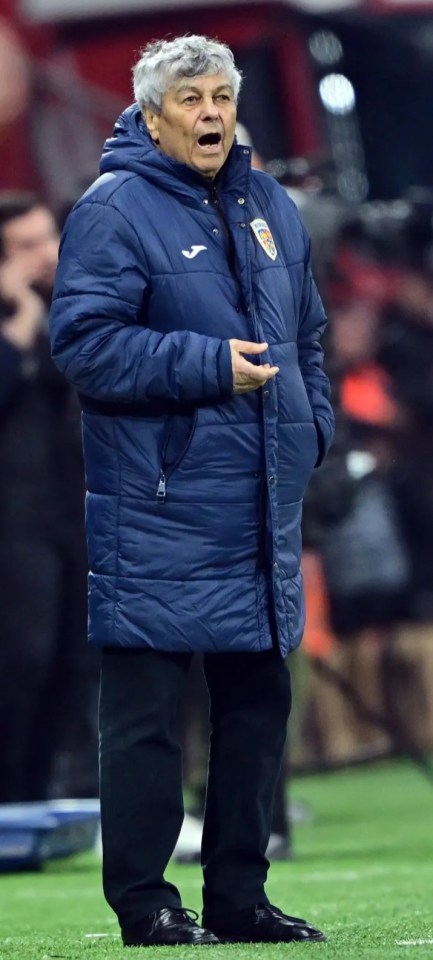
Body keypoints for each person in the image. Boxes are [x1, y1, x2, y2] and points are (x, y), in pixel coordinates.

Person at [49, 35, 334, 947]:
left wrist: (309, 427)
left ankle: (240, 898)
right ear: (149, 114)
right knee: (146, 720)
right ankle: (146, 903)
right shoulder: (113, 210)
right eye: (190, 101)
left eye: (221, 96)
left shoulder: (267, 203)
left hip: (258, 499)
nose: (211, 114)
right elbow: (84, 345)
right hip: (162, 502)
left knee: (256, 706)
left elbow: (310, 338)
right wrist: (210, 365)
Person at [0, 192, 99, 802]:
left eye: (48, 239)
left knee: (74, 661)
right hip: (13, 523)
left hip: (73, 511)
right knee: (23, 660)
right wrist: (17, 326)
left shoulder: (74, 311)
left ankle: (45, 797)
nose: (47, 255)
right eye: (28, 246)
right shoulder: (16, 326)